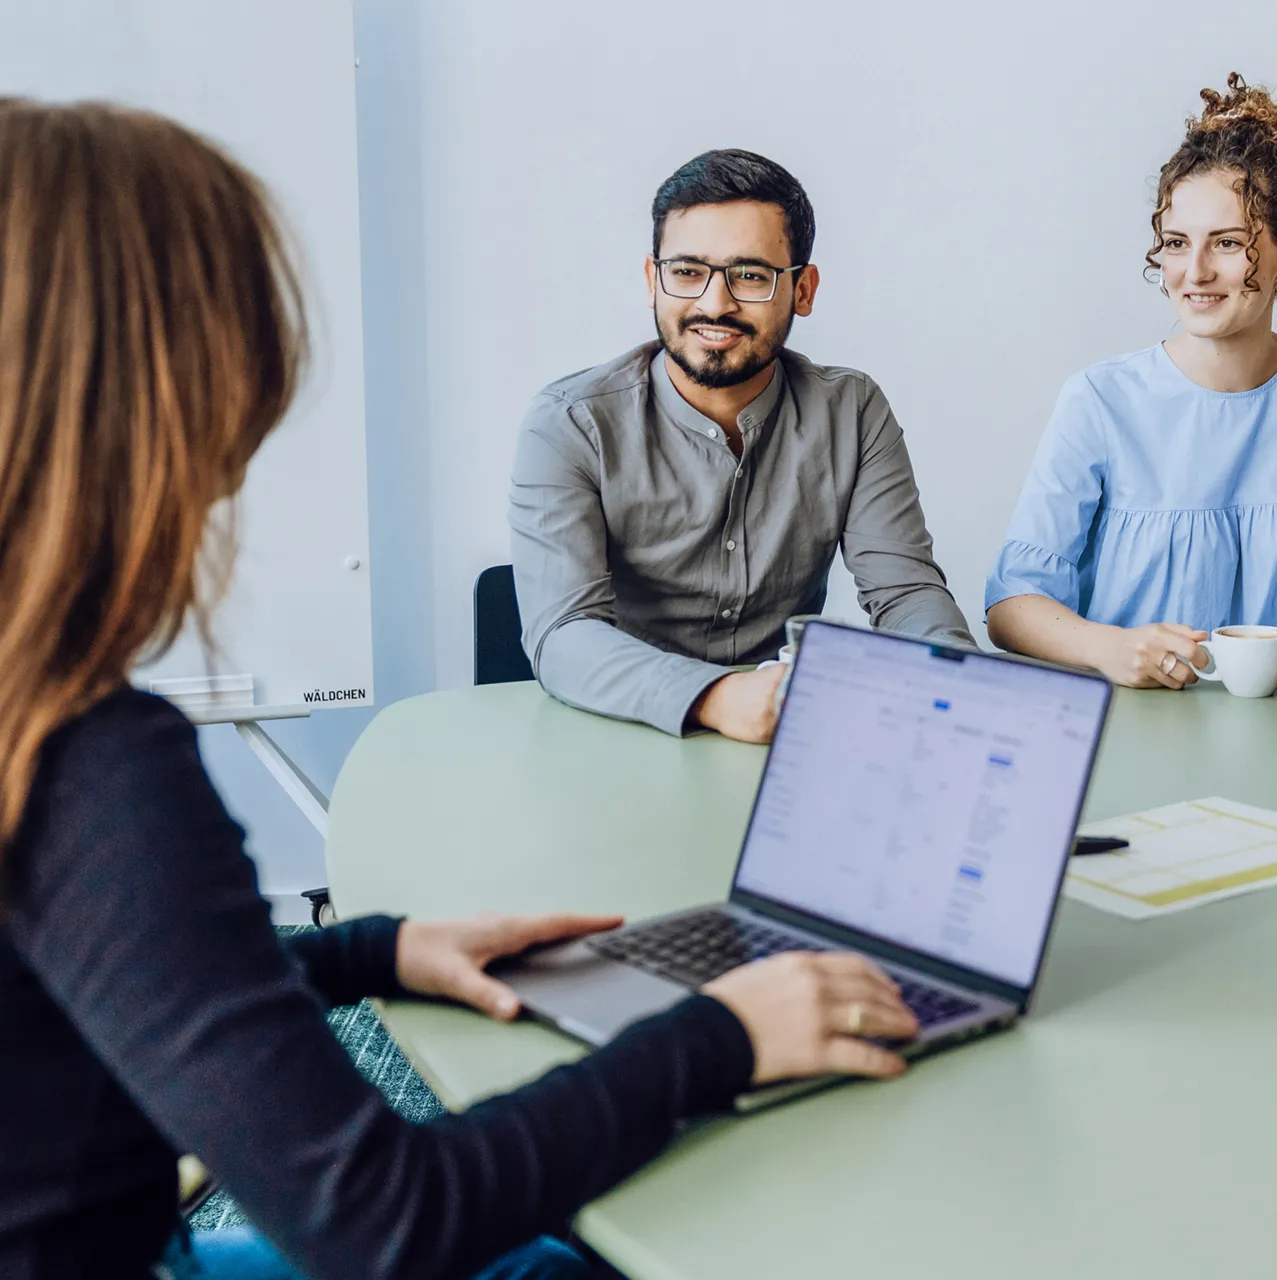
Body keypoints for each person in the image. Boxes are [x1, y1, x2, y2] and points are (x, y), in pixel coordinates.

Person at [0, 100, 918, 1280]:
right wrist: (725, 1035)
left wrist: (372, 951)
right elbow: (387, 1219)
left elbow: (101, 963)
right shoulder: (97, 765)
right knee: (564, 1269)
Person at [509, 149, 973, 744]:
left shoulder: (851, 410)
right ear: (653, 281)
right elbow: (564, 635)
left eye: (750, 275)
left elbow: (905, 594)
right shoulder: (570, 423)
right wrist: (716, 697)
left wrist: (958, 688)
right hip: (620, 733)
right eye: (687, 271)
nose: (714, 303)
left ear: (802, 289)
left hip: (780, 733)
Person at [984, 75, 1277, 694]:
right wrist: (1108, 648)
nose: (1195, 273)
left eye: (1229, 244)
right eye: (1177, 244)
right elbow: (1012, 603)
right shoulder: (1098, 400)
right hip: (1135, 723)